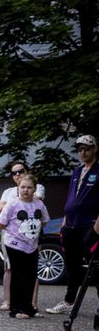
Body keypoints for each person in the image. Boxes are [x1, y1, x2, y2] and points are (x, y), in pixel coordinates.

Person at [47, 135, 99, 316]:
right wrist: (64, 223)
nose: (83, 153)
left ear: (95, 149)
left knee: (95, 266)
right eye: (80, 150)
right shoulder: (77, 171)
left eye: (86, 149)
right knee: (72, 266)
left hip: (89, 225)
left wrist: (96, 227)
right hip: (71, 225)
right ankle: (69, 301)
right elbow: (71, 198)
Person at [0, 173, 49, 319]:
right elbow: (0, 223)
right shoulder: (12, 204)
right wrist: (15, 231)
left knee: (31, 276)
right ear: (18, 188)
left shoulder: (39, 204)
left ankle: (29, 307)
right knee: (18, 275)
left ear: (35, 189)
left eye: (29, 188)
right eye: (23, 187)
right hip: (15, 244)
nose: (26, 190)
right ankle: (16, 309)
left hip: (31, 244)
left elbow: (44, 220)